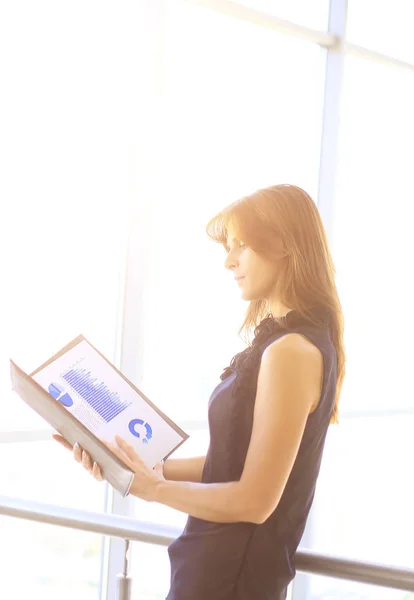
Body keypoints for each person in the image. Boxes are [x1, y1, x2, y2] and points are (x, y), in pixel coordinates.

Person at [54, 183, 346, 599]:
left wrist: (153, 490)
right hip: (210, 571)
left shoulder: (292, 351)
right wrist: (136, 464)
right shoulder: (282, 344)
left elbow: (256, 500)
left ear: (281, 245)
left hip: (230, 582)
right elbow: (231, 463)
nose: (229, 261)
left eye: (240, 245)